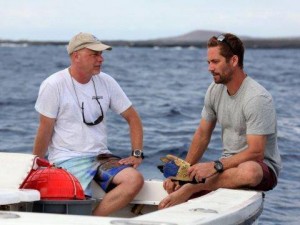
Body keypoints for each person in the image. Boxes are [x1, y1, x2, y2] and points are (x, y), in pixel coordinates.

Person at [158, 33, 282, 209]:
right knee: (173, 185)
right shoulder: (214, 90)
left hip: (260, 168)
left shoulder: (257, 98)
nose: (210, 68)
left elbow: (256, 153)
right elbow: (202, 134)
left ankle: (194, 187)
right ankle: (191, 187)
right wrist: (183, 173)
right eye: (208, 62)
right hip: (226, 166)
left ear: (233, 61)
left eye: (215, 62)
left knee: (250, 170)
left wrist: (213, 167)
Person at [33, 32, 144, 216]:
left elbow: (133, 118)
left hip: (101, 157)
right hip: (66, 159)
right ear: (76, 56)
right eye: (94, 54)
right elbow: (45, 130)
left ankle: (94, 220)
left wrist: (137, 153)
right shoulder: (53, 85)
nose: (100, 59)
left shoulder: (106, 81)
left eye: (101, 54)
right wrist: (35, 164)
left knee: (134, 180)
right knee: (75, 200)